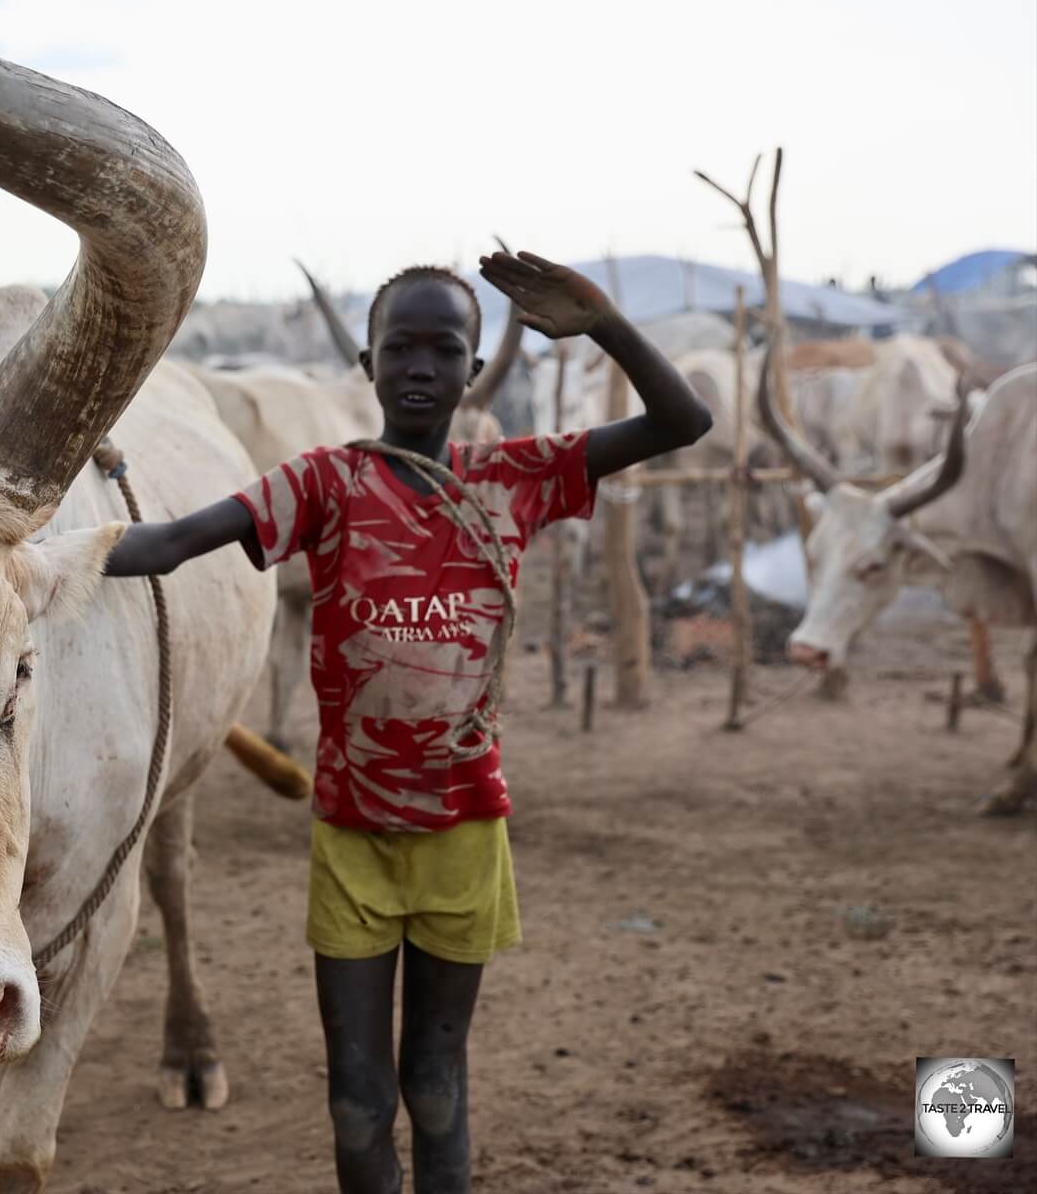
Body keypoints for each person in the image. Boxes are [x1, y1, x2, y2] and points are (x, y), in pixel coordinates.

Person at [104, 251, 711, 1193]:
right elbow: (177, 541)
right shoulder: (323, 484)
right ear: (368, 365)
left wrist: (602, 323)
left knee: (436, 1088)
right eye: (401, 347)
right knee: (355, 1098)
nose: (421, 366)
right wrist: (38, 550)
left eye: (444, 349)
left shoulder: (515, 479)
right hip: (352, 840)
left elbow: (685, 421)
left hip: (466, 834)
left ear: (473, 371)